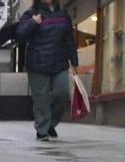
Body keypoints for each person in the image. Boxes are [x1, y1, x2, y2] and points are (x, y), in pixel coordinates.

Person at [15, 0, 78, 141]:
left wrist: (74, 60)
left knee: (62, 94)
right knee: (41, 99)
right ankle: (42, 130)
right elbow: (19, 36)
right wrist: (32, 23)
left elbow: (69, 39)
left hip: (60, 62)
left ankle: (51, 124)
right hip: (38, 63)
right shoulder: (31, 13)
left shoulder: (63, 14)